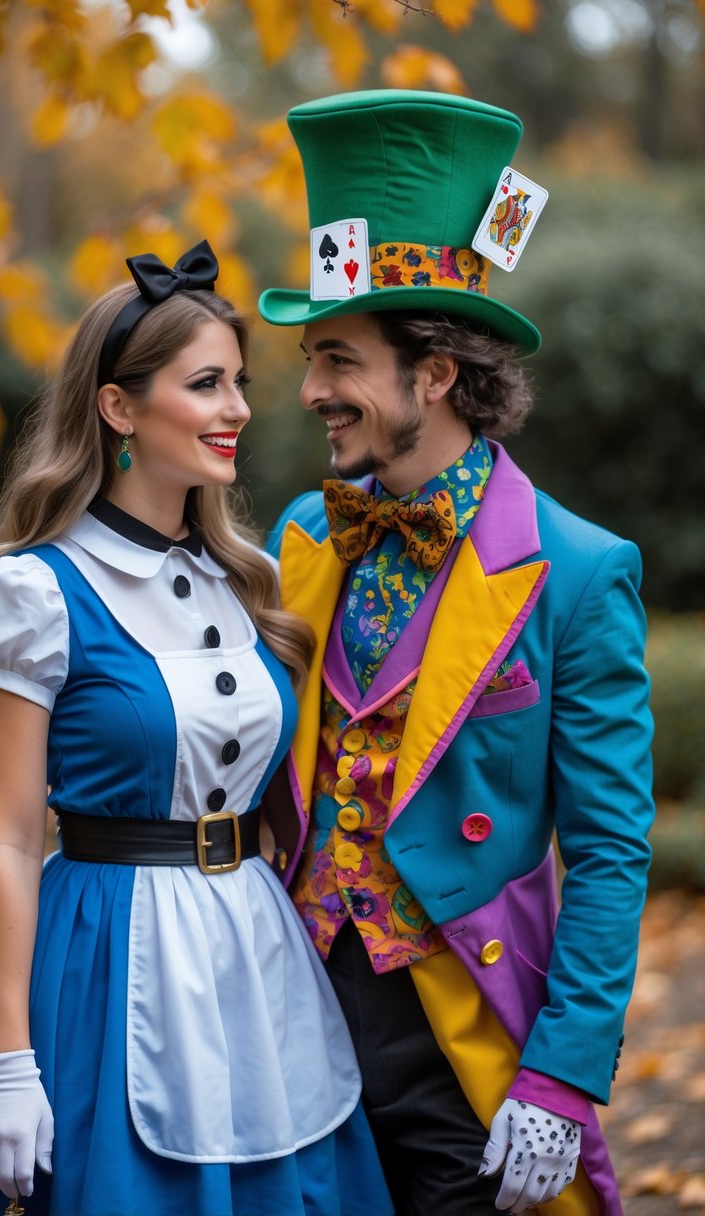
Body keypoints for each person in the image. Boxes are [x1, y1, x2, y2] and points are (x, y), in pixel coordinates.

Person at [0, 241, 394, 1216]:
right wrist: (6, 1053)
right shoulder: (33, 593)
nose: (240, 409)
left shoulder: (250, 581)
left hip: (255, 957)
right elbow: (6, 838)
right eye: (207, 384)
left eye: (240, 384)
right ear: (119, 406)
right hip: (104, 950)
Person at [257, 90, 654, 1216]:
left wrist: (565, 1075)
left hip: (466, 1041)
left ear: (432, 375)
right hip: (292, 1025)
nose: (310, 391)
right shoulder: (297, 535)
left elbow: (612, 850)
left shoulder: (579, 570)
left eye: (335, 357)